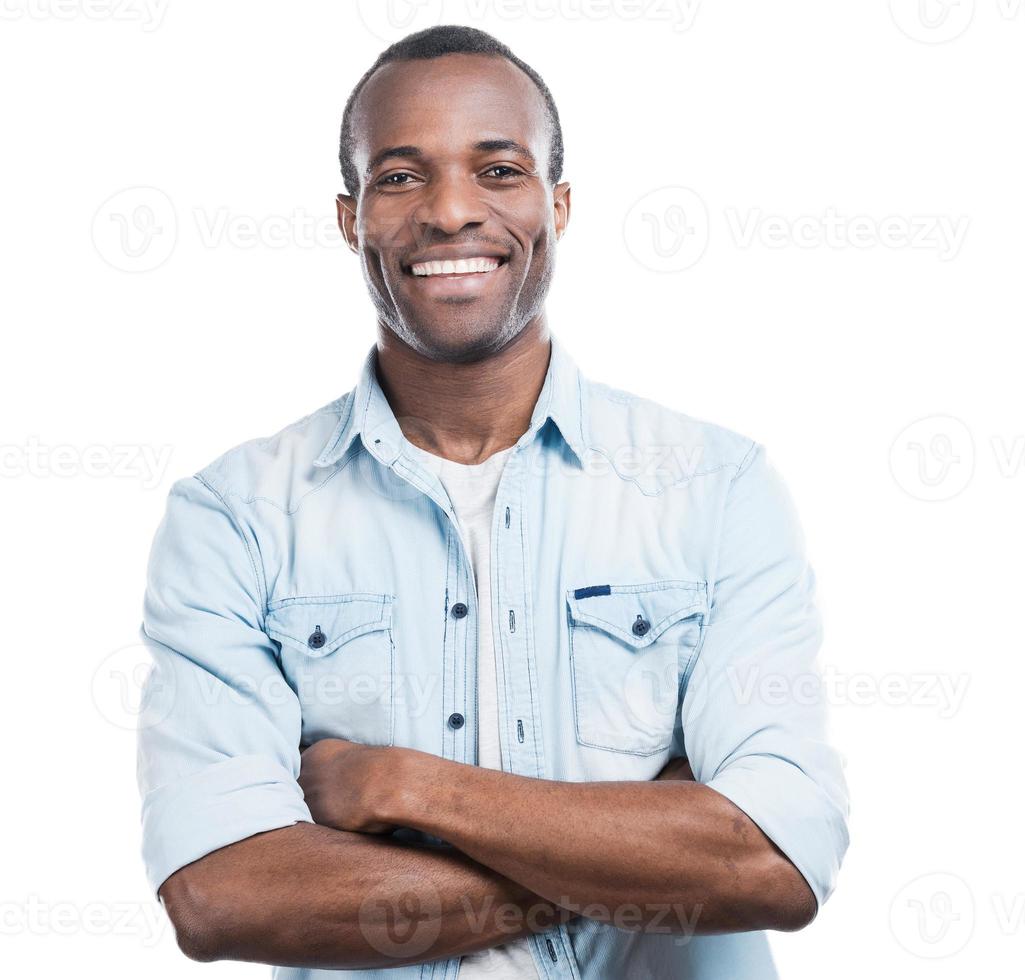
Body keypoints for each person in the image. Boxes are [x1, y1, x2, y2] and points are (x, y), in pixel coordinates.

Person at [136, 24, 848, 979]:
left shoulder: (714, 488)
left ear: (557, 204)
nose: (450, 211)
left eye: (499, 170)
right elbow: (223, 893)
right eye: (399, 176)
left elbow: (772, 860)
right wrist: (647, 846)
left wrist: (402, 786)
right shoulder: (233, 518)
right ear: (350, 218)